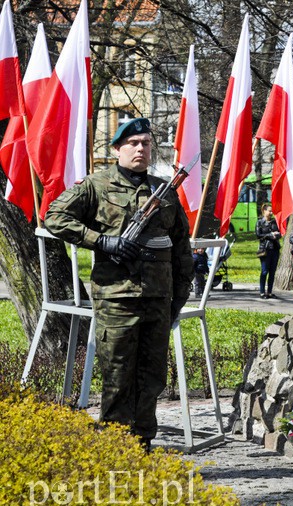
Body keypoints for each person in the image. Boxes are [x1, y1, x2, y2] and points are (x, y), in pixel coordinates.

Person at [45, 117, 193, 451]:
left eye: (145, 143)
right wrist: (101, 241)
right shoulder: (96, 186)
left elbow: (181, 246)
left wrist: (179, 296)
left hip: (158, 298)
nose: (140, 149)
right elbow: (55, 217)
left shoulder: (164, 191)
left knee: (152, 377)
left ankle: (142, 447)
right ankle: (115, 450)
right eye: (132, 143)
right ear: (117, 149)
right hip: (117, 299)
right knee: (117, 376)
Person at [255, 204, 281, 299]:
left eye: (271, 211)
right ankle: (262, 292)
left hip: (275, 249)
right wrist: (270, 235)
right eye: (269, 211)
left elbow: (279, 233)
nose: (271, 213)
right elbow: (258, 235)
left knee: (272, 272)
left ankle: (269, 292)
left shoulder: (275, 222)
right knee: (264, 271)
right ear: (264, 211)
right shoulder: (260, 222)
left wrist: (277, 235)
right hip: (265, 250)